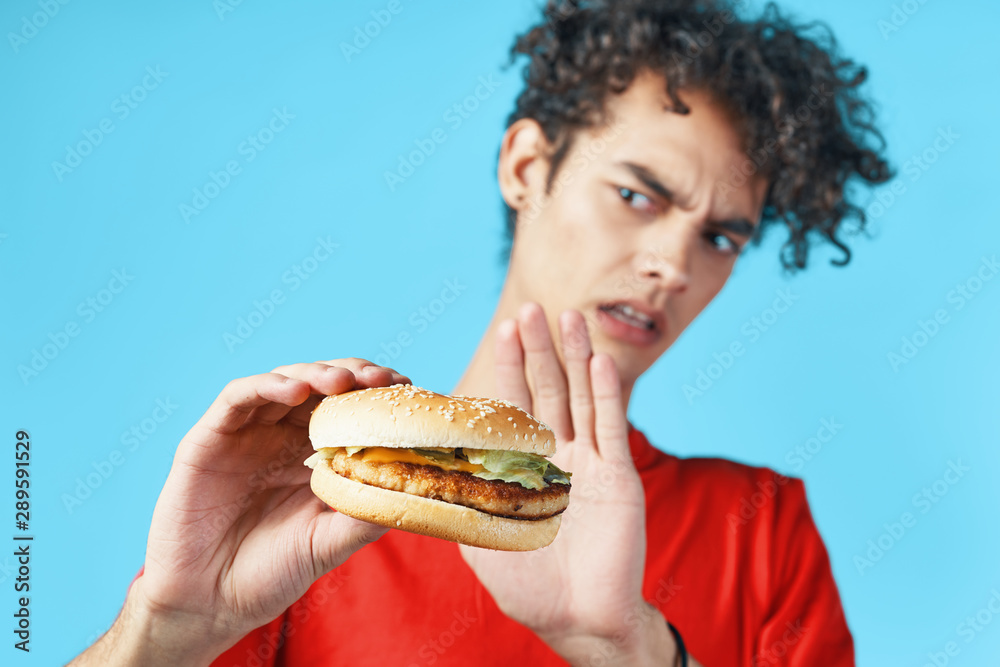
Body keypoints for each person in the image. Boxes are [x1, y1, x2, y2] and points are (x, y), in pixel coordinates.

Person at [69, 0, 890, 665]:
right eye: (638, 195)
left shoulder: (762, 527)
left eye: (720, 237)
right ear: (527, 167)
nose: (672, 263)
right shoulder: (302, 503)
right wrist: (165, 630)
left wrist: (628, 649)